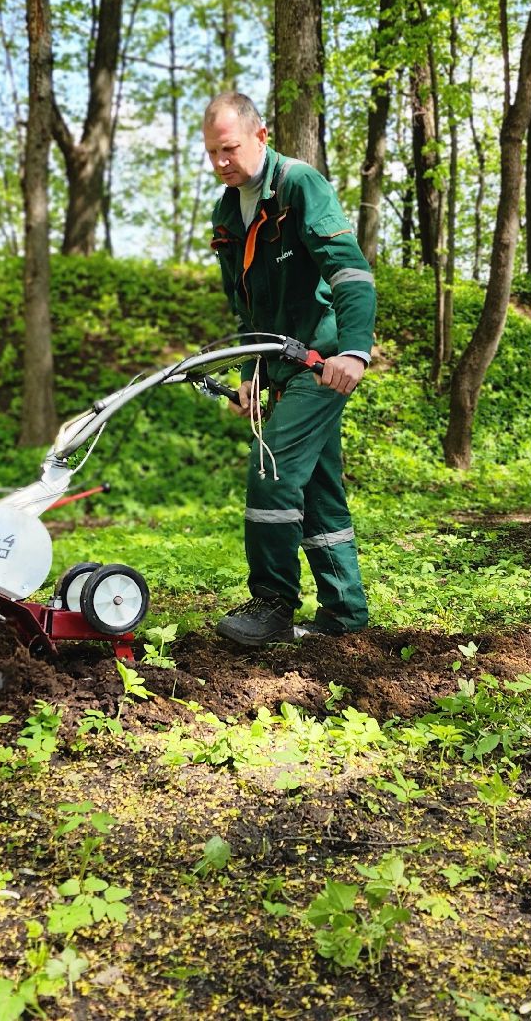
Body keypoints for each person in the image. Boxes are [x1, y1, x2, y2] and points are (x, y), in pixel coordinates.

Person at [201, 91, 376, 646]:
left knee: (270, 465)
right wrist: (251, 374)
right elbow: (248, 308)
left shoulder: (301, 186)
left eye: (229, 148)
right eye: (211, 153)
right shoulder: (229, 212)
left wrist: (354, 350)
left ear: (261, 136)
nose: (221, 162)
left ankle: (273, 602)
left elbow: (350, 272)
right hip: (277, 365)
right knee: (320, 488)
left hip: (321, 361)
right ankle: (344, 612)